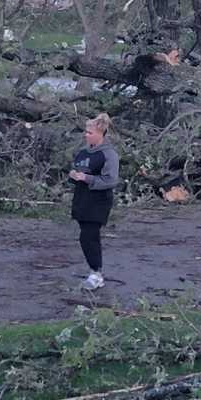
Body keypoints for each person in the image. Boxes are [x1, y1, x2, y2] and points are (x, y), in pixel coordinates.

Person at [68, 113, 120, 290]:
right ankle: (94, 271)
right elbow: (77, 170)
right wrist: (73, 176)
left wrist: (87, 179)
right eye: (86, 131)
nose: (86, 135)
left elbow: (111, 180)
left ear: (100, 133)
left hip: (99, 202)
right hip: (81, 199)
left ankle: (96, 275)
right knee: (85, 237)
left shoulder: (109, 154)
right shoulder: (83, 152)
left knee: (89, 237)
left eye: (90, 132)